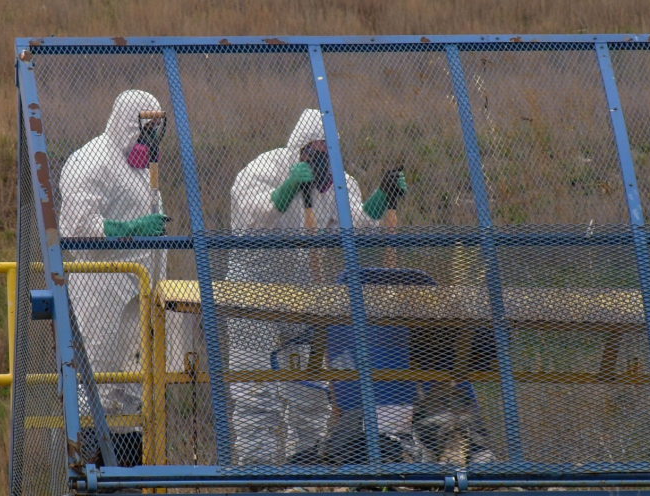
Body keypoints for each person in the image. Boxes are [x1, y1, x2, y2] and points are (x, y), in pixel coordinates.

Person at [225, 108, 404, 466]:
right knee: (256, 392)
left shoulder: (338, 182)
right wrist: (287, 189)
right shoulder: (267, 169)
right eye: (317, 150)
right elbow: (249, 216)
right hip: (252, 292)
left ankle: (302, 471)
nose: (324, 158)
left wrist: (380, 198)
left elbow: (356, 223)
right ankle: (257, 478)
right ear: (301, 149)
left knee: (309, 393)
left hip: (303, 295)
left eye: (330, 150)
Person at [59, 89, 202, 464]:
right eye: (146, 127)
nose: (151, 137)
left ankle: (127, 467)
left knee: (132, 383)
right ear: (127, 122)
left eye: (157, 128)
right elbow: (76, 229)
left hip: (139, 290)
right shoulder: (91, 161)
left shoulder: (140, 171)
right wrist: (132, 227)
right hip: (101, 289)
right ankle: (89, 463)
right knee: (97, 376)